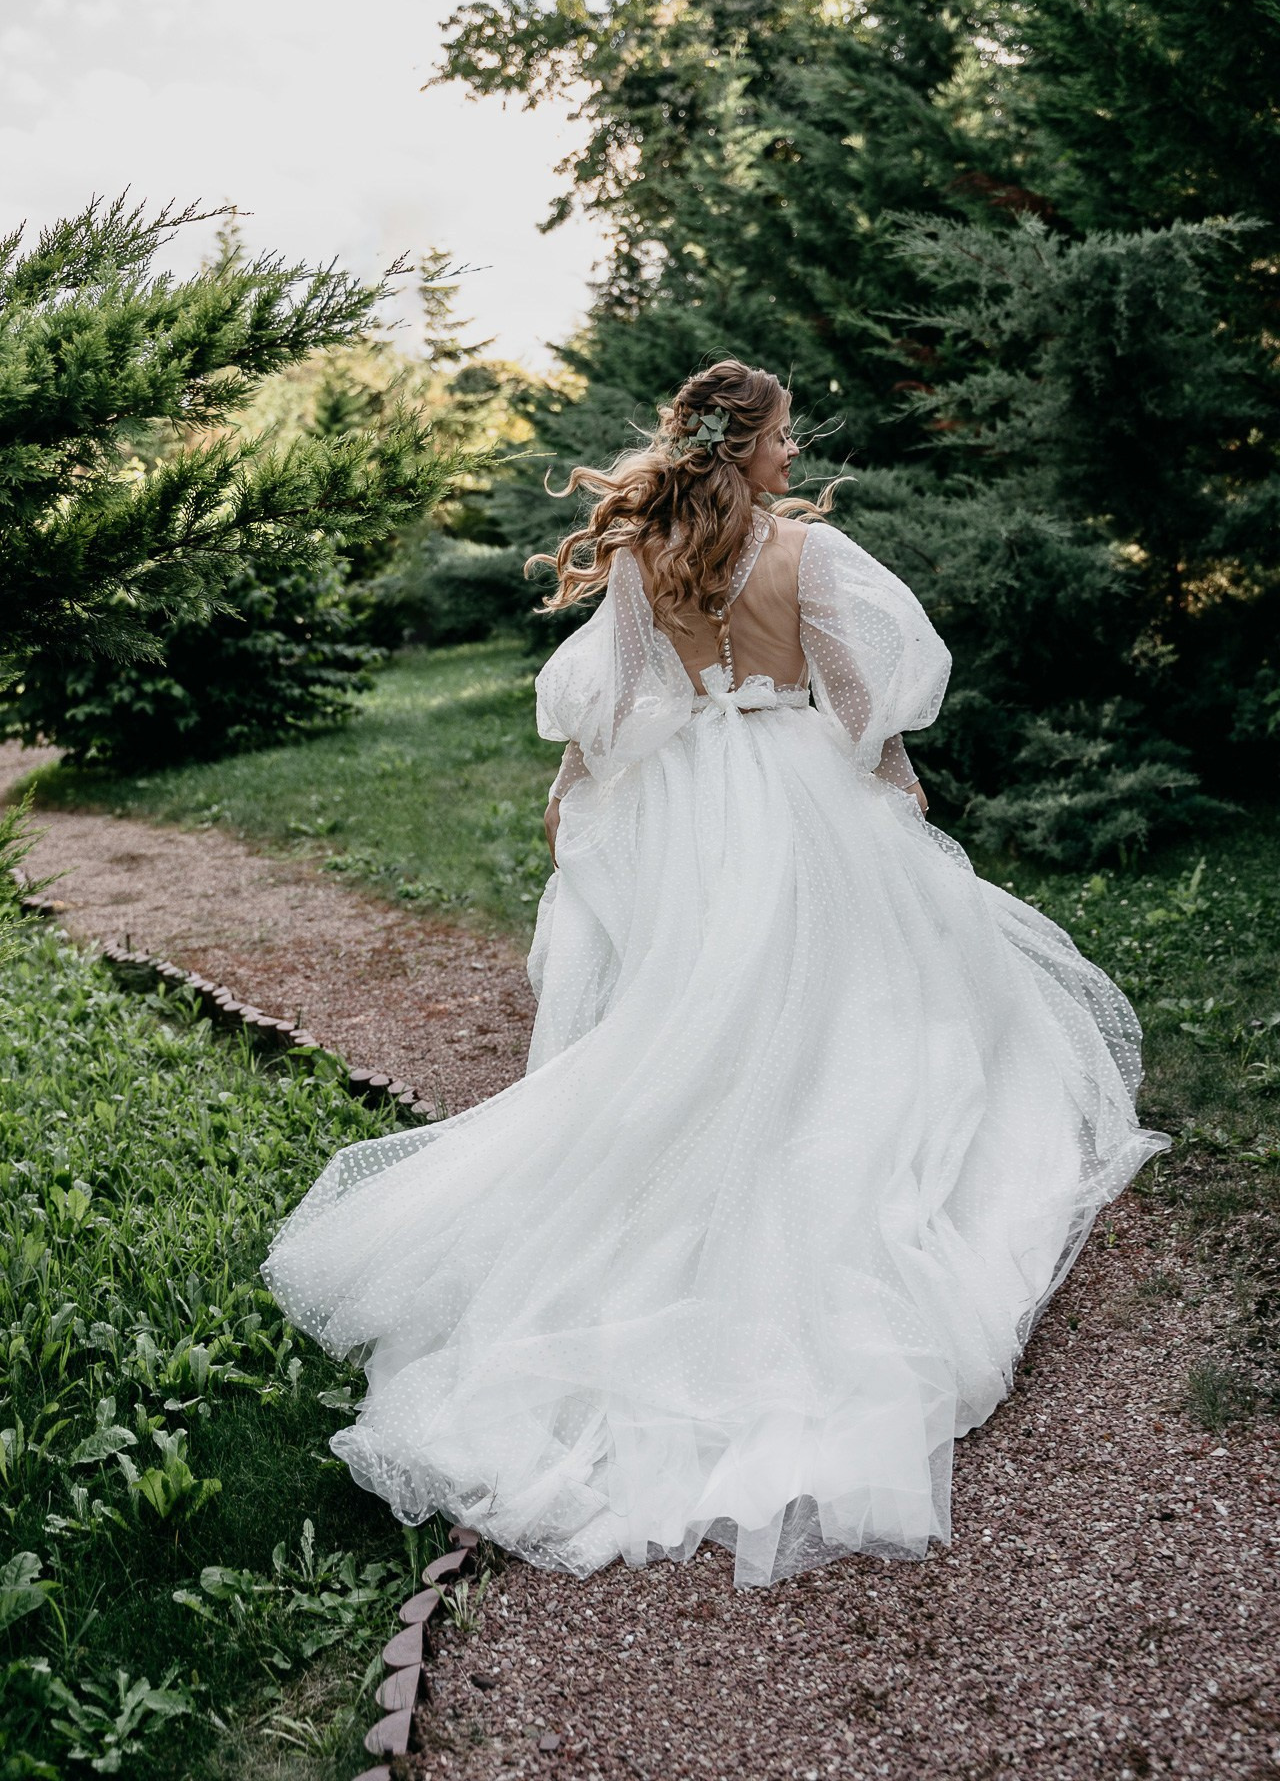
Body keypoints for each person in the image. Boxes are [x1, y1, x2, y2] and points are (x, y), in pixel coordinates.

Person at [263, 359, 1167, 1589]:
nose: (793, 455)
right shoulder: (808, 553)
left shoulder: (646, 559)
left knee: (704, 1002)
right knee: (844, 984)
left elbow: (614, 708)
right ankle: (820, 1147)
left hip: (692, 804)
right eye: (784, 437)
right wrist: (892, 786)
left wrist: (572, 794)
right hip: (797, 791)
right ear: (745, 445)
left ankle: (725, 1146)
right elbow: (861, 702)